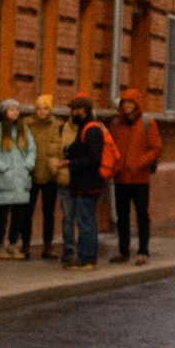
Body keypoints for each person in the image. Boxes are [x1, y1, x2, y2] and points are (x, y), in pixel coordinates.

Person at [107, 86, 162, 260]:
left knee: (141, 216)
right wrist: (114, 165)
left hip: (140, 178)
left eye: (130, 103)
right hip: (121, 177)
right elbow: (111, 147)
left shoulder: (147, 123)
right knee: (122, 217)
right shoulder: (116, 124)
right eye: (125, 103)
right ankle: (123, 250)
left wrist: (140, 163)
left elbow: (156, 148)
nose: (127, 106)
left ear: (136, 105)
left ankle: (143, 251)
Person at [64, 100, 109, 263]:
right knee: (86, 221)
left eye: (73, 110)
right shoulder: (85, 128)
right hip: (84, 184)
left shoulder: (91, 129)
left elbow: (93, 159)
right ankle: (87, 256)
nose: (71, 114)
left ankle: (87, 257)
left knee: (86, 222)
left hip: (87, 185)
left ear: (82, 110)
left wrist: (71, 163)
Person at [0, 101, 36, 256]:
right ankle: (0, 244)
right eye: (11, 109)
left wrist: (28, 165)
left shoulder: (23, 129)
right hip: (5, 178)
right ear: (4, 111)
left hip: (21, 179)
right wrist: (3, 168)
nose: (15, 112)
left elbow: (32, 149)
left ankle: (13, 243)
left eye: (17, 109)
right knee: (2, 215)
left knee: (19, 214)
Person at [31, 99, 71, 261]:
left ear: (50, 110)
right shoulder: (28, 125)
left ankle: (48, 246)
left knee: (49, 213)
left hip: (51, 175)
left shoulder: (57, 125)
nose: (42, 112)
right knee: (28, 212)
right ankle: (25, 245)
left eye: (45, 109)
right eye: (39, 109)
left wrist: (56, 165)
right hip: (32, 174)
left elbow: (60, 148)